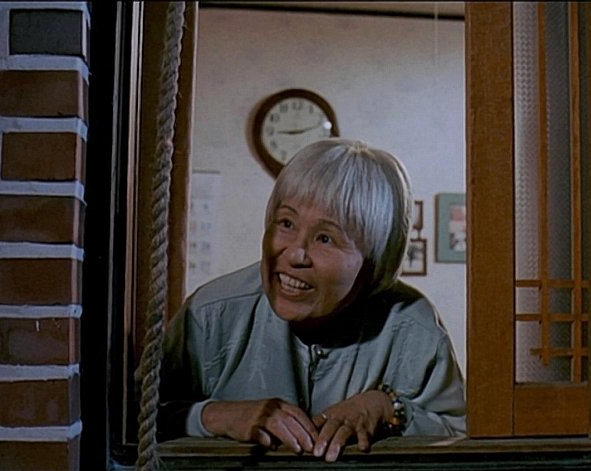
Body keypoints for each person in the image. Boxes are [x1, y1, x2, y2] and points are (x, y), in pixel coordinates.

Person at [158, 138, 467, 462]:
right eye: (286, 223)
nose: (295, 254)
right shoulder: (212, 315)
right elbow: (134, 420)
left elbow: (463, 441)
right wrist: (214, 416)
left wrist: (389, 409)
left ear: (375, 261)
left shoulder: (413, 328)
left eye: (325, 238)